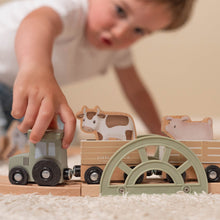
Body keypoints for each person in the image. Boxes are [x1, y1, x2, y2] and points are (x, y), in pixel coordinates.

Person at [0, 0, 195, 148]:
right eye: (120, 11)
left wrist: (158, 134)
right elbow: (37, 23)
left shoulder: (117, 50)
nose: (120, 33)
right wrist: (36, 67)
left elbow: (135, 91)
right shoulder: (70, 8)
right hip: (12, 82)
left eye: (138, 30)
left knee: (64, 134)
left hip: (20, 94)